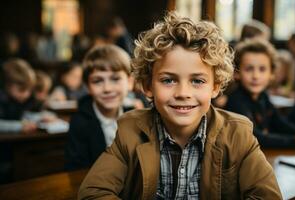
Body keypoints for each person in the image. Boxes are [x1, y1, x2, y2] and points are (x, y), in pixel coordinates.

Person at [79, 12, 282, 199]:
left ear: (215, 87)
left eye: (197, 81)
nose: (183, 93)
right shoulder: (130, 130)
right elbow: (93, 192)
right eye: (168, 80)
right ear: (148, 86)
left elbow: (267, 196)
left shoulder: (238, 133)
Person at [225, 39, 295, 150]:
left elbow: (280, 124)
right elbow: (254, 137)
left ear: (271, 74)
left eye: (262, 69)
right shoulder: (235, 101)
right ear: (236, 73)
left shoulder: (263, 96)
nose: (256, 76)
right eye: (249, 69)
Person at [65, 44, 134, 170]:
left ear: (129, 82)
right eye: (97, 81)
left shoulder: (135, 117)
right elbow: (76, 169)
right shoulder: (79, 122)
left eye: (115, 79)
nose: (107, 89)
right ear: (87, 87)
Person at [0, 58, 37, 133]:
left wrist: (40, 118)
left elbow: (22, 116)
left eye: (29, 90)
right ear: (7, 85)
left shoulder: (16, 100)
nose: (27, 95)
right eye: (22, 90)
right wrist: (19, 126)